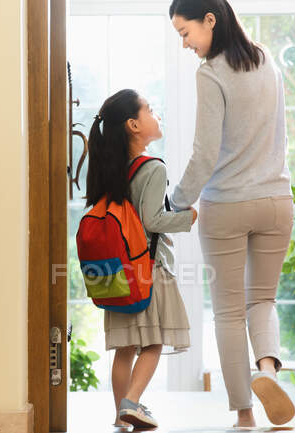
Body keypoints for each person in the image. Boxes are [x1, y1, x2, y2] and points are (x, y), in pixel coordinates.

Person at [168, 0, 295, 426]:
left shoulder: (210, 74)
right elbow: (279, 134)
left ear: (210, 21)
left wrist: (177, 200)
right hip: (277, 200)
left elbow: (204, 154)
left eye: (185, 33)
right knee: (263, 299)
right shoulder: (267, 61)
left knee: (226, 310)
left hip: (227, 203)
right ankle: (267, 371)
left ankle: (244, 414)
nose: (184, 44)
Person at [85, 89, 198, 430]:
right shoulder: (152, 168)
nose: (155, 113)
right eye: (149, 109)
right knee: (153, 342)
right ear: (134, 124)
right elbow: (153, 221)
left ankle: (121, 416)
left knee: (125, 348)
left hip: (115, 270)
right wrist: (189, 217)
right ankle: (132, 403)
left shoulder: (110, 168)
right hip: (148, 269)